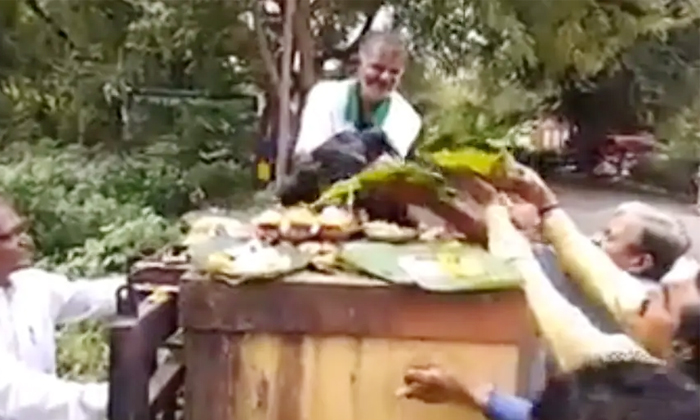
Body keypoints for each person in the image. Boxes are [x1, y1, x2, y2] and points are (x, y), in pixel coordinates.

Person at [398, 184, 700, 420]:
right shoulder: (666, 380)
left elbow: (528, 275)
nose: (643, 298)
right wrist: (546, 205)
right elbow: (607, 279)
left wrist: (494, 211)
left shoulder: (619, 382)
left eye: (657, 302)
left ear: (681, 349)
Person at [0, 198, 125, 420]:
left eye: (21, 231)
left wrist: (155, 283)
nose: (24, 242)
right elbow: (13, 393)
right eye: (8, 237)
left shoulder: (30, 284)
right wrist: (111, 398)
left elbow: (90, 297)